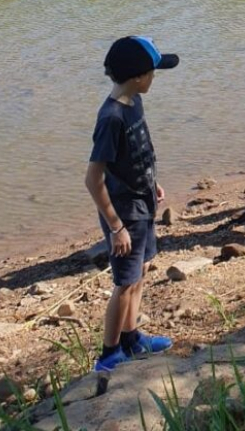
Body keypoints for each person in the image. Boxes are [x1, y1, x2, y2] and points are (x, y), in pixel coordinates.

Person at [86, 36, 179, 372]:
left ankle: (132, 337)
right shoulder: (111, 117)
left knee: (140, 272)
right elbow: (93, 179)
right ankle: (109, 355)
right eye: (153, 72)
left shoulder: (133, 102)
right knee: (124, 283)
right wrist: (116, 227)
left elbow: (138, 151)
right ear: (139, 77)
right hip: (124, 214)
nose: (154, 78)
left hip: (142, 204)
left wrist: (151, 183)